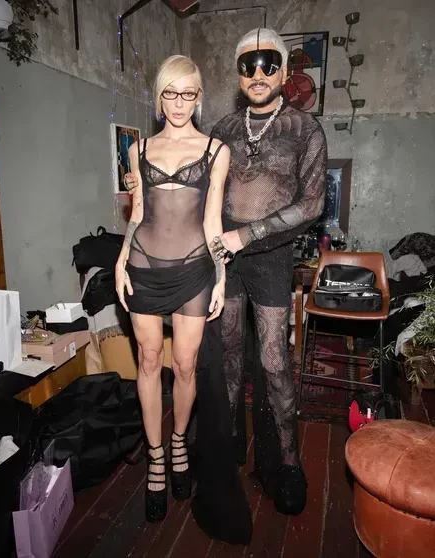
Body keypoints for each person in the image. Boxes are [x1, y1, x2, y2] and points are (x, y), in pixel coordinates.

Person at [117, 55, 252, 543]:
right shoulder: (138, 149)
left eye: (188, 93)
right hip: (144, 267)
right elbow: (137, 214)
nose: (178, 102)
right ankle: (156, 458)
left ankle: (179, 442)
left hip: (196, 267)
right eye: (170, 93)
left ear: (199, 97)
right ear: (159, 97)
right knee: (149, 360)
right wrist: (120, 259)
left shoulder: (216, 150)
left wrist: (220, 274)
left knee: (186, 364)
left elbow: (213, 220)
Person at [209, 28, 328, 516]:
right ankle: (231, 446)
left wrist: (249, 234)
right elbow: (200, 190)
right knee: (229, 358)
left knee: (275, 362)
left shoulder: (304, 129)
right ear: (239, 74)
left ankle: (288, 464)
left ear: (283, 71)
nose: (258, 74)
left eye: (268, 64)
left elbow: (312, 205)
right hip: (225, 259)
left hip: (272, 258)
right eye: (248, 65)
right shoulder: (222, 129)